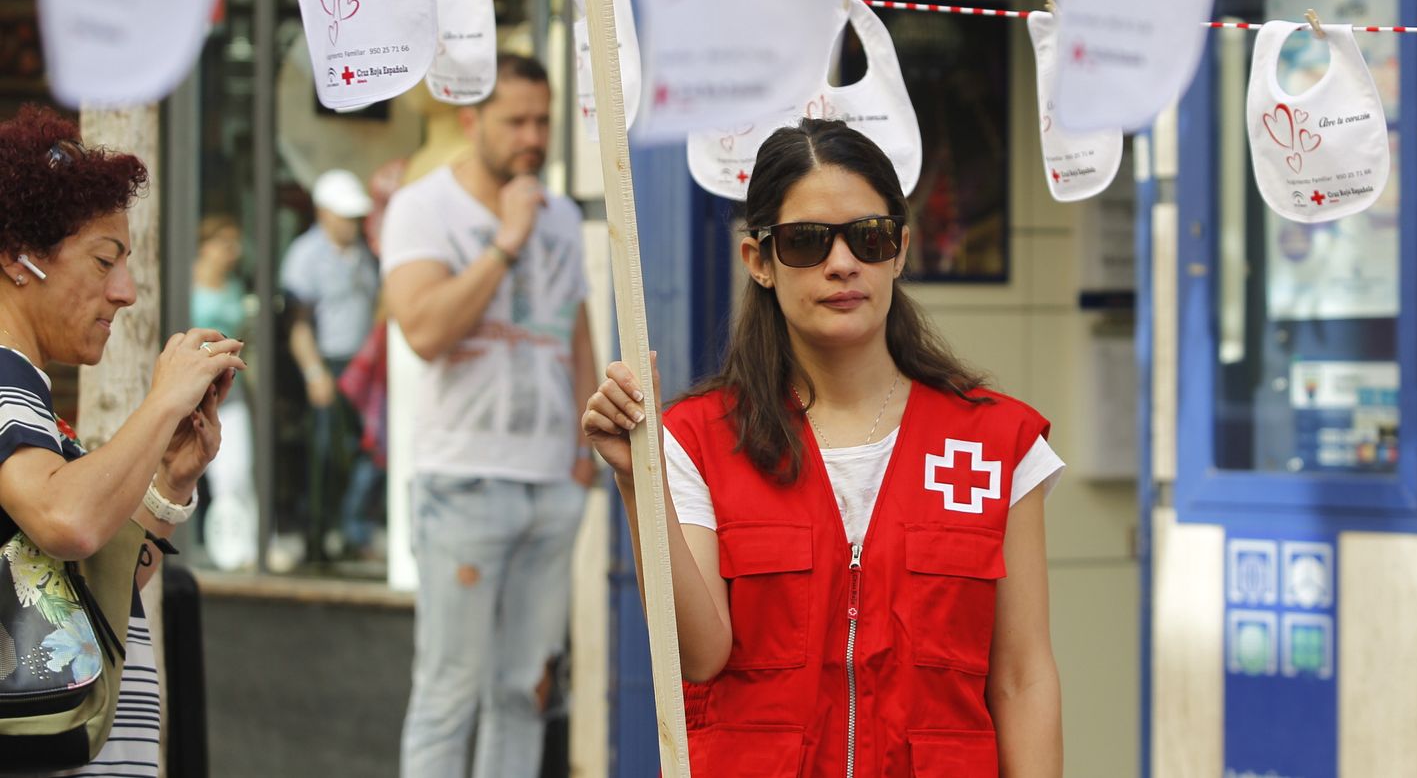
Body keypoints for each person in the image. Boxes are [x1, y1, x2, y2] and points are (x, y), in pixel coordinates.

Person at [583, 119, 1065, 776]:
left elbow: (1022, 677)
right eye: (807, 241)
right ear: (759, 261)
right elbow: (698, 653)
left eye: (869, 237)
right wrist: (637, 481)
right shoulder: (698, 439)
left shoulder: (996, 442)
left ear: (900, 250)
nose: (842, 263)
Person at [0, 106, 246, 776]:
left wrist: (169, 484)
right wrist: (163, 399)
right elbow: (67, 520)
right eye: (104, 260)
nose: (126, 292)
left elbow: (94, 585)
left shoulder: (30, 400)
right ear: (18, 259)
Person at [384, 53, 598, 777]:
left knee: (524, 692)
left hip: (553, 483)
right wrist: (505, 241)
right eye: (515, 121)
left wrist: (584, 453)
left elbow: (574, 331)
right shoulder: (424, 207)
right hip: (464, 482)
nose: (532, 136)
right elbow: (425, 331)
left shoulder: (561, 214)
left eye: (543, 120)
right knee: (449, 693)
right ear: (471, 120)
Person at [280, 168, 380, 562]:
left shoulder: (363, 253)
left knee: (367, 452)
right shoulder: (306, 255)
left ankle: (352, 531)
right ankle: (317, 538)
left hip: (364, 367)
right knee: (325, 455)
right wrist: (314, 372)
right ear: (323, 212)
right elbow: (298, 323)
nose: (352, 223)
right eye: (345, 215)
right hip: (330, 366)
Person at [191, 214, 257, 570]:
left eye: (236, 244)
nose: (232, 251)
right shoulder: (186, 282)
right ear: (206, 246)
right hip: (195, 389)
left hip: (231, 387)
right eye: (225, 243)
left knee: (236, 469)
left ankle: (242, 547)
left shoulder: (234, 286)